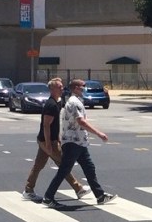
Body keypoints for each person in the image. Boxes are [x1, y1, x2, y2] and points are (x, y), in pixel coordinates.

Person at [43, 78, 115, 207]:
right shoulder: (74, 102)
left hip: (79, 142)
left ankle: (100, 196)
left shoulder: (75, 101)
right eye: (83, 86)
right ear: (76, 88)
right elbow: (81, 121)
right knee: (64, 170)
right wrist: (98, 133)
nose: (85, 88)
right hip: (73, 142)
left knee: (89, 168)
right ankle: (48, 197)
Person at [22, 77, 89, 201]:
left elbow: (55, 124)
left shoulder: (58, 102)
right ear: (52, 89)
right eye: (59, 87)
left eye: (62, 86)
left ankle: (28, 189)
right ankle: (78, 188)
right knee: (63, 164)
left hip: (48, 140)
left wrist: (57, 138)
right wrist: (48, 144)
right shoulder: (51, 105)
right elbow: (46, 125)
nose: (62, 88)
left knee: (38, 165)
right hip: (47, 140)